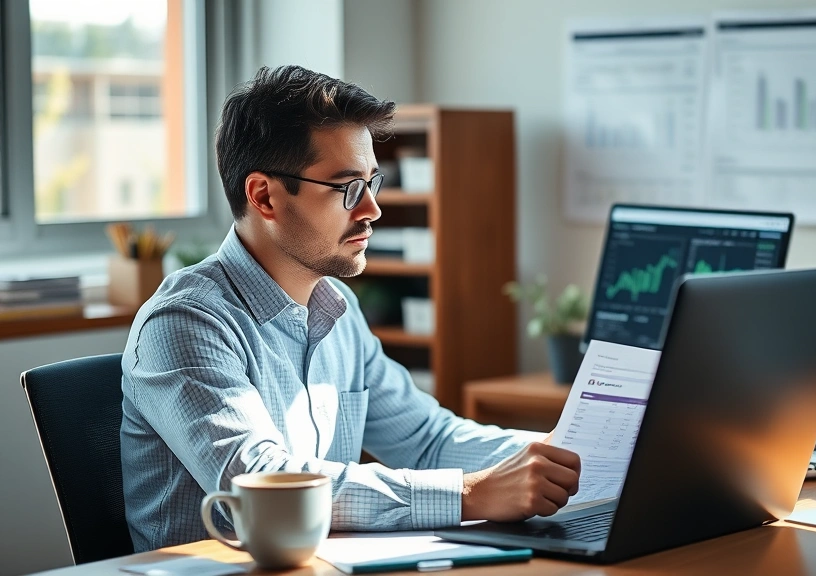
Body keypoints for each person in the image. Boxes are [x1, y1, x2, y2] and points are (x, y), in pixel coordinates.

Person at [120, 65, 581, 552]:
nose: (372, 210)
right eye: (347, 189)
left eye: (372, 183)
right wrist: (469, 494)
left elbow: (425, 439)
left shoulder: (336, 310)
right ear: (264, 196)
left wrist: (559, 456)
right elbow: (263, 482)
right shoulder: (183, 323)